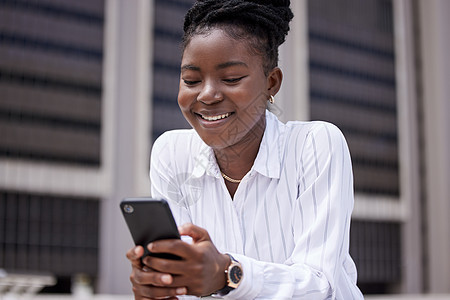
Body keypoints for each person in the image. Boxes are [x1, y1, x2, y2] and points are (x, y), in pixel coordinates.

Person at [126, 0, 364, 299]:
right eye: (191, 80)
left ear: (271, 83)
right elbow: (186, 283)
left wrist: (228, 274)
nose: (208, 94)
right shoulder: (170, 153)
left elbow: (321, 285)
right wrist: (163, 284)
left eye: (231, 79)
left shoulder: (315, 145)